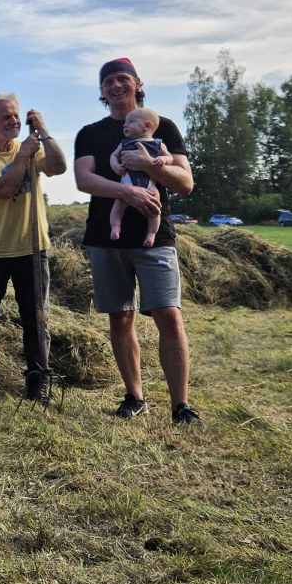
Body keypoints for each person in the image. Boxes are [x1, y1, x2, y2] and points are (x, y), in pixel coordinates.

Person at [74, 58, 200, 425]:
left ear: (137, 84)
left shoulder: (164, 129)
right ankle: (135, 396)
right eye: (108, 81)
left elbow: (185, 182)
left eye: (122, 79)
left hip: (154, 237)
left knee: (168, 314)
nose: (115, 86)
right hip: (105, 237)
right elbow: (85, 180)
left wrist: (150, 166)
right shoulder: (90, 133)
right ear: (101, 91)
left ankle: (181, 405)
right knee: (120, 316)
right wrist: (126, 194)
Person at [0, 93, 69, 402]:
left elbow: (60, 166)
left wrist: (44, 131)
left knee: (36, 320)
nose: (12, 121)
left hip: (32, 249)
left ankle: (38, 385)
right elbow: (4, 189)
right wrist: (23, 156)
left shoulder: (33, 149)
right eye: (4, 116)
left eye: (15, 115)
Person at [109, 107, 166, 246]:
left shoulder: (157, 144)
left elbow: (169, 157)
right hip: (127, 183)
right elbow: (113, 156)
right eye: (125, 122)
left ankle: (151, 233)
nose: (125, 125)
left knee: (155, 210)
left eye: (131, 122)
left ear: (147, 126)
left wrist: (163, 160)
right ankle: (116, 226)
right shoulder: (124, 143)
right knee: (117, 206)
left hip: (149, 185)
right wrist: (115, 165)